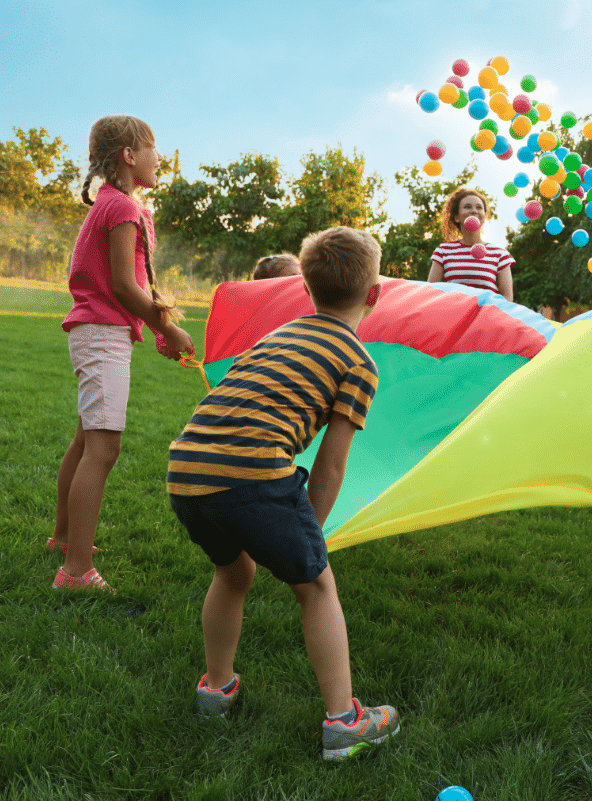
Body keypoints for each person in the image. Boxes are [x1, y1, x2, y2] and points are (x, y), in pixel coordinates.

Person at [167, 226, 400, 760]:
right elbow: (332, 464)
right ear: (374, 294)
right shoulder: (358, 361)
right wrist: (309, 539)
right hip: (253, 474)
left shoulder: (278, 335)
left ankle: (216, 689)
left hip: (187, 467)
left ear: (306, 290)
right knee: (316, 587)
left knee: (233, 572)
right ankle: (345, 722)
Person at [51, 115, 195, 594]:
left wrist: (151, 324)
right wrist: (168, 328)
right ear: (129, 156)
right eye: (152, 148)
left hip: (99, 330)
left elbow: (126, 286)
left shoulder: (115, 204)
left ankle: (65, 538)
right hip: (103, 334)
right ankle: (74, 572)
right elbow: (121, 284)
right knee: (103, 449)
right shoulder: (121, 208)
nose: (159, 157)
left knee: (84, 441)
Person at [428, 187, 515, 301]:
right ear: (457, 217)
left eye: (479, 207)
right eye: (467, 207)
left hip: (486, 317)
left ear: (484, 216)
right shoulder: (443, 251)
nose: (474, 211)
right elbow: (430, 293)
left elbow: (507, 298)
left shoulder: (500, 254)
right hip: (453, 316)